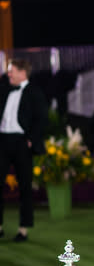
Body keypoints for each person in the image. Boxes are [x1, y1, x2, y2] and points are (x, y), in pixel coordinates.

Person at [0, 59, 48, 242]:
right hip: (3, 140)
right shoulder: (4, 90)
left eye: (11, 71)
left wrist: (31, 140)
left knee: (25, 187)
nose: (8, 74)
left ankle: (23, 230)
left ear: (22, 72)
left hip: (22, 142)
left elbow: (42, 119)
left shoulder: (35, 92)